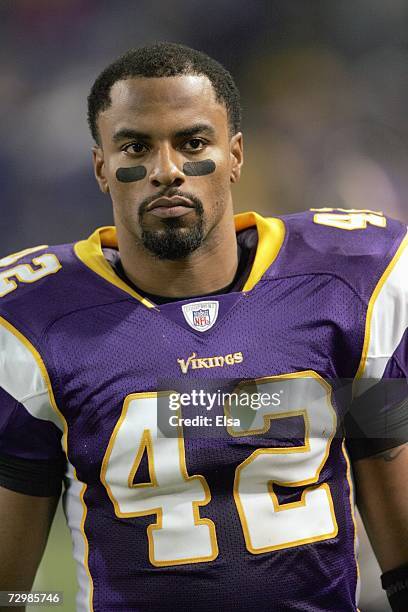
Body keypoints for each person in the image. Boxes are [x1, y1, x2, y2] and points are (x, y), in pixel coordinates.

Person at [0, 42, 407, 612]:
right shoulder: (33, 319)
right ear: (101, 167)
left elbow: (404, 558)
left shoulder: (348, 283)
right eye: (136, 146)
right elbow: (11, 591)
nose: (167, 171)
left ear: (236, 154)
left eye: (192, 143)